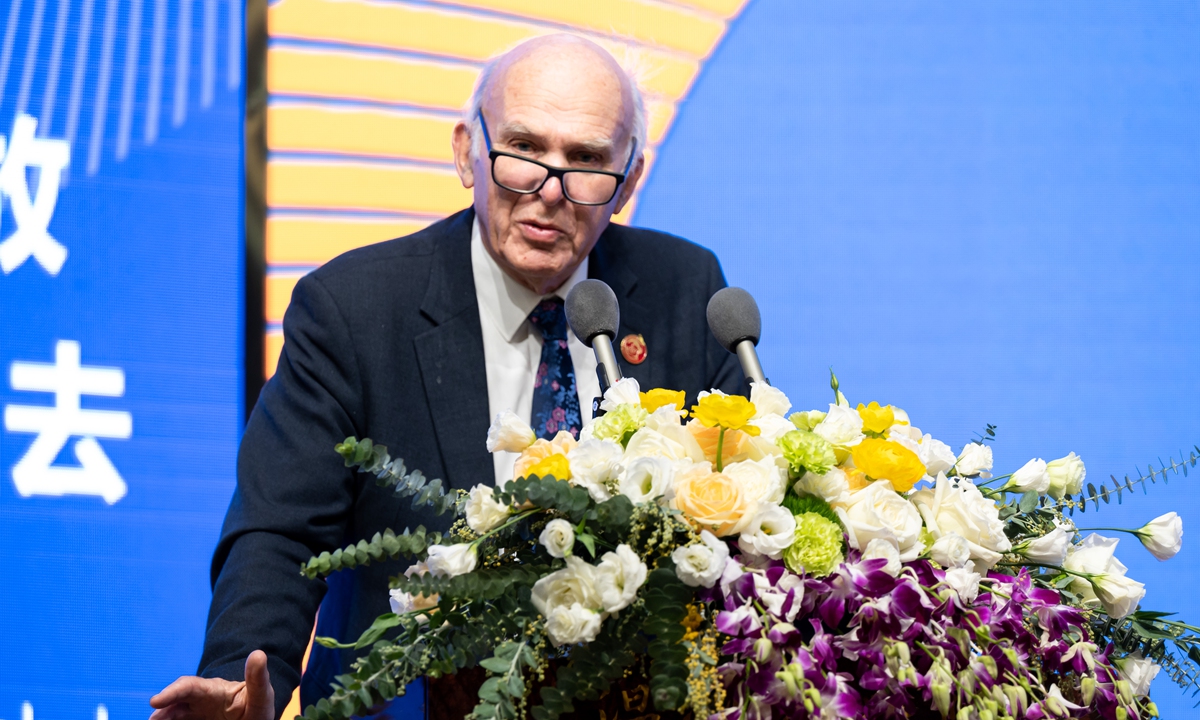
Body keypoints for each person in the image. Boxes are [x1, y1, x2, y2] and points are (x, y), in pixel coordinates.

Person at [149, 34, 743, 720]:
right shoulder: (355, 308)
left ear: (630, 180)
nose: (549, 191)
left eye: (585, 161)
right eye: (523, 149)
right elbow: (282, 532)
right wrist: (242, 674)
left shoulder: (686, 291)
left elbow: (741, 515)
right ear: (468, 152)